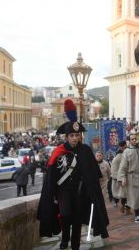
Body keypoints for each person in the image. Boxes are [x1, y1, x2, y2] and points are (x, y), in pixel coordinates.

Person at [37, 99, 109, 250]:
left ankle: (75, 245)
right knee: (65, 214)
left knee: (77, 220)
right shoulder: (58, 152)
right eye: (72, 135)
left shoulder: (86, 151)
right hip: (64, 191)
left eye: (77, 135)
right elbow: (51, 175)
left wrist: (93, 192)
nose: (75, 138)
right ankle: (64, 239)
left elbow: (94, 174)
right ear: (67, 136)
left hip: (82, 192)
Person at [118, 133, 139, 223]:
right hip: (132, 177)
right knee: (134, 196)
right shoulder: (126, 152)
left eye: (135, 138)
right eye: (132, 139)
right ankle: (137, 215)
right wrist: (123, 178)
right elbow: (123, 167)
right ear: (129, 141)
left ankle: (127, 205)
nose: (134, 140)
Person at [111, 141, 131, 213]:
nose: (126, 148)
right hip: (121, 179)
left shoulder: (125, 155)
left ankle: (126, 207)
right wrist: (121, 178)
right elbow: (114, 170)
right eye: (125, 147)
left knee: (127, 194)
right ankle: (125, 207)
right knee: (124, 194)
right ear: (122, 148)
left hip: (127, 177)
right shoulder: (118, 158)